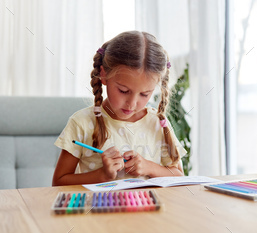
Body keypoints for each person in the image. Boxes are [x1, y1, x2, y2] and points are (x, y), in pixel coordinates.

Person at [52, 31, 186, 186]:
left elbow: (179, 176)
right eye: (123, 91)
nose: (132, 103)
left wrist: (149, 167)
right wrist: (102, 175)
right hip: (99, 208)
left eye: (144, 94)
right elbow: (58, 182)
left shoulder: (157, 123)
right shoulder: (81, 123)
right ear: (103, 75)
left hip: (149, 208)